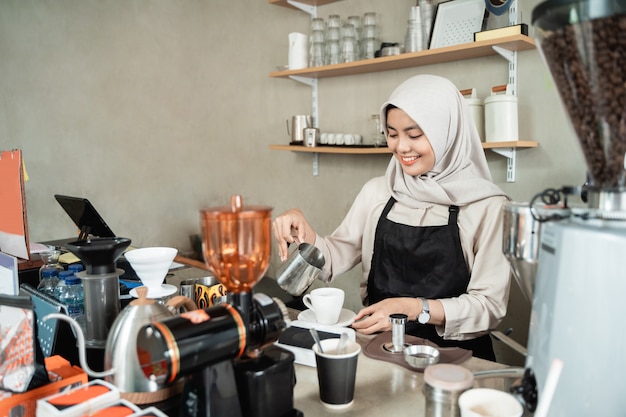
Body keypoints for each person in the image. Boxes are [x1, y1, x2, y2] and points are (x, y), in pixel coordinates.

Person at [272, 74, 511, 361]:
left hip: (458, 362)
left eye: (414, 134)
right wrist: (304, 230)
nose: (401, 147)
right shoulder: (378, 192)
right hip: (383, 352)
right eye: (392, 134)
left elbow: (489, 307)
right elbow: (334, 256)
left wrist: (413, 308)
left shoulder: (488, 206)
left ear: (447, 132)